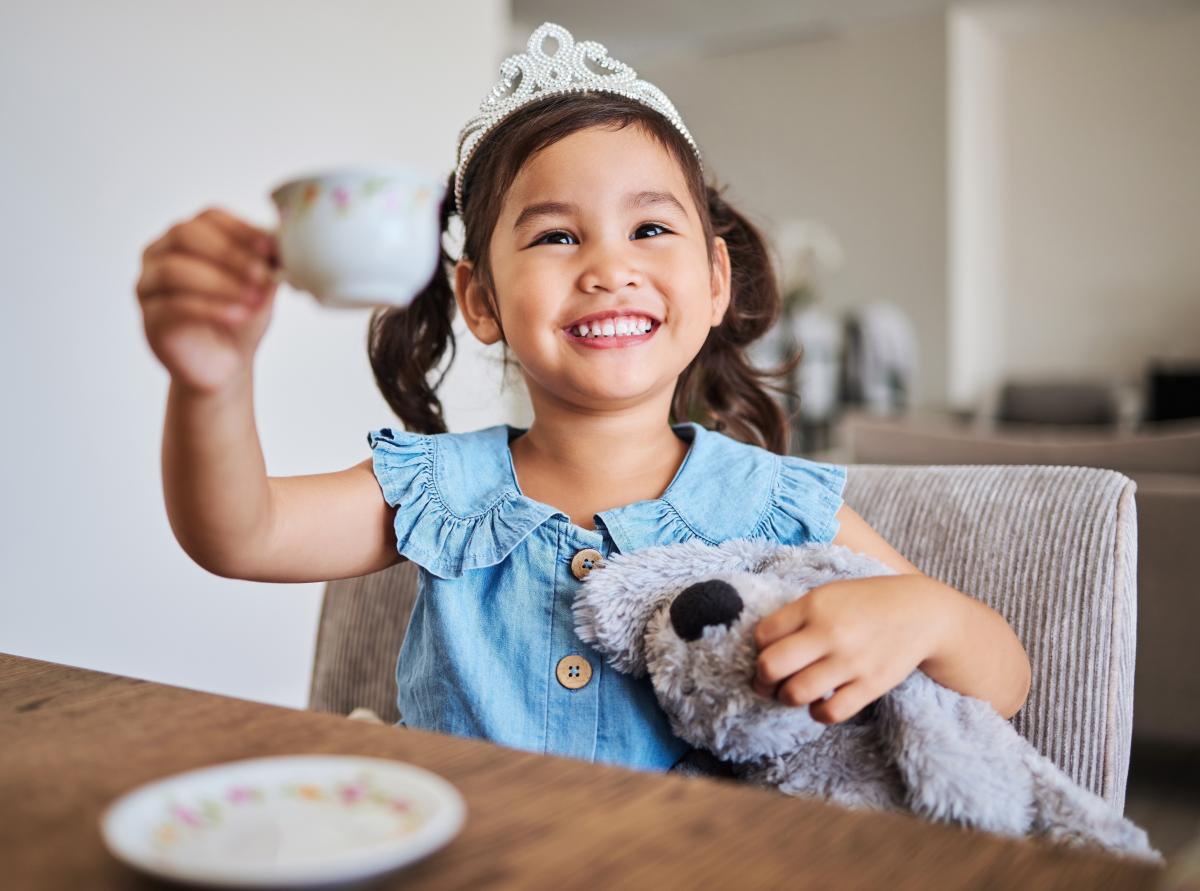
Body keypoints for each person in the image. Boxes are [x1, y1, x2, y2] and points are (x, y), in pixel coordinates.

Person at [134, 22, 1030, 772]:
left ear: (715, 279)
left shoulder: (774, 502)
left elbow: (1004, 678)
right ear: (481, 299)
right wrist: (210, 382)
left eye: (649, 227)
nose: (609, 267)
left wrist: (920, 615)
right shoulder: (439, 487)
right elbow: (238, 534)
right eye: (558, 235)